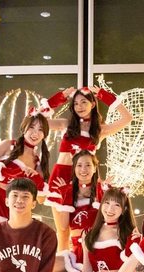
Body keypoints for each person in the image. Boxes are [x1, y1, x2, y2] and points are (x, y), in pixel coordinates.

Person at [43, 86, 132, 239]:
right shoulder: (66, 124)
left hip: (87, 178)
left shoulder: (99, 130)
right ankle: (66, 255)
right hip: (62, 176)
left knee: (89, 227)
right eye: (76, 103)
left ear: (93, 104)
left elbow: (127, 118)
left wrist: (104, 95)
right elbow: (36, 120)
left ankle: (86, 253)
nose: (80, 107)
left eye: (84, 102)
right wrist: (59, 98)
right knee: (63, 230)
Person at [48, 150, 103, 272]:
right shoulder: (69, 191)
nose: (83, 169)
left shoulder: (101, 191)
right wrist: (65, 196)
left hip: (94, 251)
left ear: (95, 168)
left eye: (88, 165)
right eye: (79, 165)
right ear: (74, 168)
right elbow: (63, 226)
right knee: (44, 266)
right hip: (76, 251)